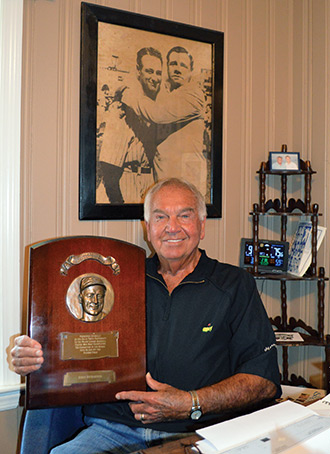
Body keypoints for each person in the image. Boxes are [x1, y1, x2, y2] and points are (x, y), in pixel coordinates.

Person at [11, 178, 281, 453]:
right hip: (112, 430)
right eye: (160, 217)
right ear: (148, 228)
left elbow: (263, 381)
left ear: (202, 226)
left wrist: (190, 403)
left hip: (195, 434)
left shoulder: (234, 285)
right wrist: (36, 357)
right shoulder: (119, 280)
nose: (172, 227)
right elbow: (72, 343)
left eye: (184, 216)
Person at [122, 47, 208, 198]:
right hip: (165, 178)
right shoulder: (168, 95)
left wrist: (128, 96)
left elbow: (157, 114)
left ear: (191, 70)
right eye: (173, 64)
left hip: (187, 182)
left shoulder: (193, 94)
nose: (177, 69)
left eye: (183, 66)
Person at [97, 47, 162, 204]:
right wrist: (119, 207)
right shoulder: (121, 110)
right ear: (138, 71)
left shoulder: (155, 110)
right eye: (149, 71)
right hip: (126, 185)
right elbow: (108, 169)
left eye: (158, 73)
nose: (154, 77)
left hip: (148, 185)